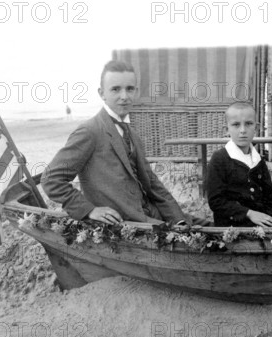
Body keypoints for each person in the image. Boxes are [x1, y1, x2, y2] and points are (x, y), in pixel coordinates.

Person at [42, 60, 195, 226]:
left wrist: (178, 220)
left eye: (129, 89)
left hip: (151, 213)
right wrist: (89, 210)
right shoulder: (90, 131)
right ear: (102, 93)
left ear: (136, 91)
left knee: (210, 227)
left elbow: (152, 183)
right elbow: (51, 179)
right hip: (128, 223)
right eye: (115, 89)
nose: (124, 96)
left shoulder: (132, 133)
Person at [206, 102, 272, 227]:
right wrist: (249, 213)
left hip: (262, 223)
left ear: (257, 127)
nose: (243, 130)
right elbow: (216, 201)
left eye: (248, 124)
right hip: (232, 226)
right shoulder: (219, 159)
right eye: (236, 125)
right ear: (226, 130)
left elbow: (269, 194)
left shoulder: (258, 160)